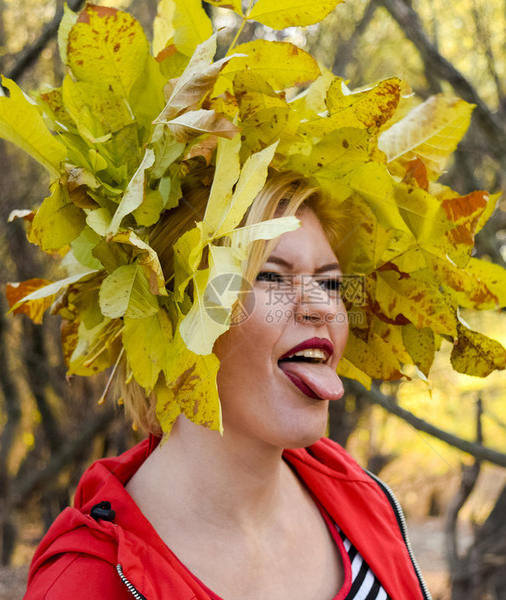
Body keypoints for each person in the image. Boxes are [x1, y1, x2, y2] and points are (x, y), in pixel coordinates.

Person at [23, 172, 431, 600]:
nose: (321, 308)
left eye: (330, 283)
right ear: (173, 316)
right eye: (272, 277)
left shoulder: (361, 497)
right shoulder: (84, 585)